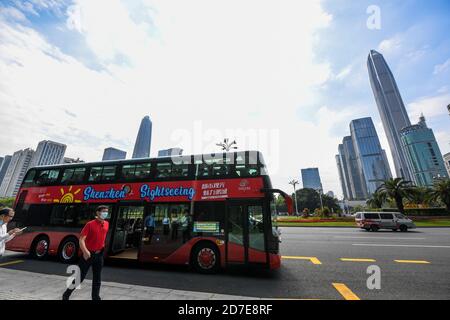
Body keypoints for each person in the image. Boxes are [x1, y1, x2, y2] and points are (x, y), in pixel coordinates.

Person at [62, 205, 109, 300]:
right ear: (98, 213)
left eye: (107, 211)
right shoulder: (90, 224)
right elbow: (81, 239)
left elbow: (102, 237)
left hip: (99, 255)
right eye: (103, 211)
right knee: (80, 277)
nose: (105, 213)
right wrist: (85, 251)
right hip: (88, 254)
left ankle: (95, 297)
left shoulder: (107, 224)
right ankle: (66, 294)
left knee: (97, 278)